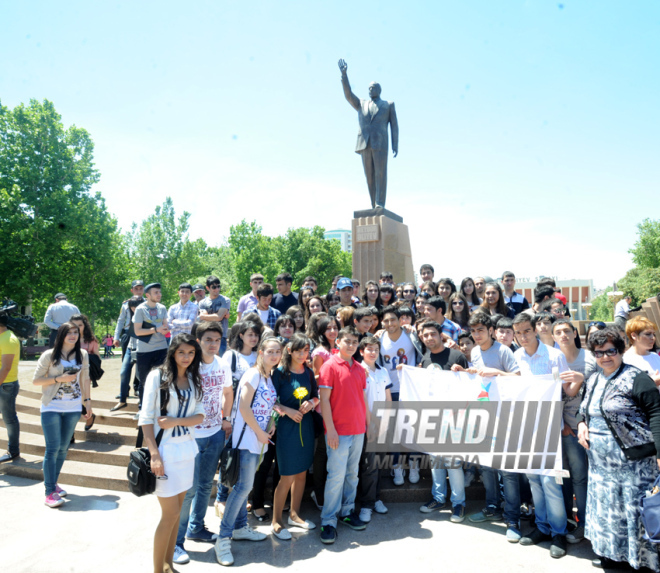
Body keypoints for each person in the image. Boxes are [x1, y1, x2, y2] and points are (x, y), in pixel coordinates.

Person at [576, 327, 660, 571]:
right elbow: (585, 406)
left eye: (611, 351)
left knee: (632, 515)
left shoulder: (637, 378)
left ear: (620, 350)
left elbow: (656, 414)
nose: (605, 357)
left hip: (633, 467)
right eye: (599, 352)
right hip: (601, 468)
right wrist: (582, 422)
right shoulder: (593, 379)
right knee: (608, 513)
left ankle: (639, 562)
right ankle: (611, 555)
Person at [138, 333, 205, 573]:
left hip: (187, 451)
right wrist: (154, 454)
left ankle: (167, 566)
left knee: (176, 515)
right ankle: (158, 569)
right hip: (164, 453)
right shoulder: (157, 376)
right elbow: (146, 418)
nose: (186, 357)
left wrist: (176, 420)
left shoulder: (194, 378)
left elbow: (200, 415)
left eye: (191, 353)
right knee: (171, 514)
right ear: (172, 352)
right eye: (181, 352)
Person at [512, 313, 577, 559]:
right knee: (534, 481)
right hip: (525, 426)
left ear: (536, 330)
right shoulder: (517, 357)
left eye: (526, 331)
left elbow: (565, 390)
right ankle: (542, 527)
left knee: (550, 482)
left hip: (549, 427)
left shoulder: (554, 355)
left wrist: (566, 422)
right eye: (518, 333)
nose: (523, 336)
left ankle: (559, 532)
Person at [214, 337, 282, 567]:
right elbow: (243, 407)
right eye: (270, 351)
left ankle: (241, 527)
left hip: (258, 439)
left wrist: (270, 423)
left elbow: (264, 405)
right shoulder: (253, 374)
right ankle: (223, 538)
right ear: (260, 352)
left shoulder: (267, 376)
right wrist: (259, 433)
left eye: (278, 352)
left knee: (245, 487)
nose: (274, 355)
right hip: (246, 440)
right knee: (243, 487)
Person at [456, 314, 522, 542]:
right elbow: (479, 381)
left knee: (508, 470)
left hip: (505, 417)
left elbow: (518, 377)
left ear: (491, 330)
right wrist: (463, 372)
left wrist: (498, 373)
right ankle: (492, 507)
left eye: (480, 330)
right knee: (487, 467)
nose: (476, 334)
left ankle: (512, 518)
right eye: (473, 331)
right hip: (484, 416)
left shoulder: (504, 351)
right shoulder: (474, 352)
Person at [173, 323, 233, 565]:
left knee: (206, 484)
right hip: (191, 436)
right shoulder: (189, 365)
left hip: (215, 432)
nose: (213, 344)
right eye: (208, 339)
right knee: (189, 489)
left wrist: (226, 418)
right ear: (198, 341)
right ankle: (176, 542)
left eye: (217, 340)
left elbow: (228, 392)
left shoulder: (223, 364)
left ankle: (196, 527)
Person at [33, 322, 93, 507]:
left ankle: (54, 483)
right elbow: (36, 381)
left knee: (63, 448)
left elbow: (85, 379)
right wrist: (59, 378)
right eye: (69, 333)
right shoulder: (49, 356)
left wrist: (87, 403)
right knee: (52, 449)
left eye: (76, 332)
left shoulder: (82, 355)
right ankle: (49, 492)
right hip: (51, 407)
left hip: (73, 408)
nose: (73, 336)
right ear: (61, 335)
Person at [318, 326, 370, 544]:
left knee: (352, 475)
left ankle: (347, 512)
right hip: (339, 432)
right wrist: (330, 430)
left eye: (354, 342)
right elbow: (324, 401)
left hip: (358, 430)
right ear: (337, 342)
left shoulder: (359, 368)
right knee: (336, 477)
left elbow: (362, 399)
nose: (351, 345)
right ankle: (328, 521)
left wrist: (369, 424)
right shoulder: (329, 366)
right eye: (347, 341)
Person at [551, 319, 598, 544]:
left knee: (582, 477)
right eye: (558, 332)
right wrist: (562, 424)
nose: (563, 335)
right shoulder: (553, 360)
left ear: (575, 333)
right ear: (552, 337)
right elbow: (549, 396)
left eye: (567, 331)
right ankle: (570, 520)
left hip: (592, 427)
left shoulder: (589, 358)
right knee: (565, 477)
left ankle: (585, 524)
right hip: (564, 428)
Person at [418, 321, 468, 523]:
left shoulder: (457, 356)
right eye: (425, 335)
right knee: (435, 461)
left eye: (432, 334)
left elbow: (469, 386)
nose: (429, 338)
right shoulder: (425, 358)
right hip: (432, 417)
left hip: (454, 417)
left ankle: (458, 503)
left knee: (453, 462)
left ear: (441, 334)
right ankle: (438, 498)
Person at [270, 334, 319, 540]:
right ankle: (276, 522)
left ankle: (294, 514)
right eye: (299, 350)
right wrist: (287, 411)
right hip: (287, 428)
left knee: (301, 473)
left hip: (306, 426)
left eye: (306, 350)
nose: (302, 354)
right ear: (289, 351)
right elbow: (269, 400)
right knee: (287, 475)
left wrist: (312, 403)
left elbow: (316, 395)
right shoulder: (279, 373)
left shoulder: (308, 372)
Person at [214, 321, 261, 518]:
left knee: (246, 460)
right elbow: (223, 388)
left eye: (256, 335)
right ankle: (221, 499)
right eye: (250, 334)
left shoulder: (259, 357)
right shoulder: (231, 356)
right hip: (233, 416)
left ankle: (242, 499)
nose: (253, 338)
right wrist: (225, 417)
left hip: (253, 417)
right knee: (229, 458)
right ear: (240, 335)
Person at [338, 59, 398, 209]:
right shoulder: (361, 103)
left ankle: (380, 203)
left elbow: (394, 126)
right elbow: (348, 95)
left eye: (373, 88)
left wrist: (395, 144)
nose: (370, 90)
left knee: (380, 175)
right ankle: (374, 204)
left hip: (380, 144)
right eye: (369, 88)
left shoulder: (388, 105)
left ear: (379, 90)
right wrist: (344, 75)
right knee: (369, 178)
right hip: (365, 144)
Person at [379, 305, 422, 485]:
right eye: (386, 320)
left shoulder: (411, 334)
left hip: (410, 389)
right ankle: (396, 467)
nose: (390, 323)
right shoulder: (379, 338)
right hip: (390, 391)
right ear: (382, 323)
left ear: (400, 320)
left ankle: (413, 464)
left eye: (393, 320)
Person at [357, 336, 391, 523]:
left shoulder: (383, 371)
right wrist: (371, 424)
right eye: (369, 349)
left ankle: (376, 498)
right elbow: (361, 401)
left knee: (378, 463)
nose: (373, 352)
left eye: (376, 349)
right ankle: (367, 504)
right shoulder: (359, 371)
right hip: (366, 424)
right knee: (368, 466)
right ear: (361, 351)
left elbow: (388, 398)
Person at [133, 283, 170, 409]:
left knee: (163, 381)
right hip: (144, 351)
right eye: (156, 292)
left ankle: (162, 408)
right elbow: (137, 331)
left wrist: (165, 329)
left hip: (161, 349)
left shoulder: (162, 308)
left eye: (159, 292)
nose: (159, 294)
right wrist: (156, 329)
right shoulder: (140, 309)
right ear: (147, 295)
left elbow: (165, 326)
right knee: (145, 382)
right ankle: (144, 409)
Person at [112, 296, 144, 412]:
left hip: (142, 348)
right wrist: (116, 337)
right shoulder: (126, 307)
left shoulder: (148, 312)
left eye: (137, 305)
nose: (135, 308)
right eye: (132, 306)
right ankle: (122, 399)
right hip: (131, 346)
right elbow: (120, 321)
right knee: (124, 372)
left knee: (141, 376)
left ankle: (141, 399)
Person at [69, 314, 101, 430]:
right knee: (71, 399)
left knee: (80, 399)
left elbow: (97, 359)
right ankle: (87, 418)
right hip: (68, 375)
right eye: (74, 325)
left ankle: (88, 416)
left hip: (84, 376)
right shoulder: (66, 338)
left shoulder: (91, 341)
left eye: (80, 325)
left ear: (85, 326)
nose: (77, 328)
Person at [0, 314, 21, 463]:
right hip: (3, 383)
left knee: (9, 419)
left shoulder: (8, 339)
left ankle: (13, 451)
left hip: (6, 384)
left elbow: (6, 367)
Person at [198, 276, 231, 356]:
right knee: (207, 359)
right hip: (206, 335)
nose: (217, 289)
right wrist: (217, 316)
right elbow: (204, 318)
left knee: (220, 360)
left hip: (221, 336)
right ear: (207, 288)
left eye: (218, 286)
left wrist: (206, 316)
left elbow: (218, 317)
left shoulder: (225, 300)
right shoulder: (202, 302)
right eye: (214, 287)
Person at [624, 316, 660, 384]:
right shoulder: (625, 360)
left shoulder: (655, 357)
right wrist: (652, 382)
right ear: (634, 335)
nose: (653, 338)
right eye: (648, 334)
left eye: (653, 334)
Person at [113, 280, 145, 351]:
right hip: (128, 333)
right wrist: (116, 337)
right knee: (126, 359)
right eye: (136, 289)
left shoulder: (147, 303)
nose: (138, 291)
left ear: (144, 290)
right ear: (132, 290)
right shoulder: (126, 304)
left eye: (141, 289)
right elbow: (121, 321)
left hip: (143, 333)